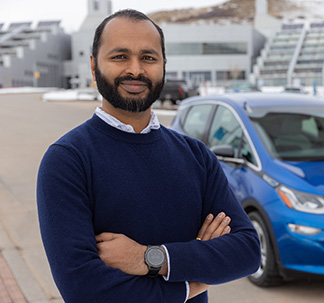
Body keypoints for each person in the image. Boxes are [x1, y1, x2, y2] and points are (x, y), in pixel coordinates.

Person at [37, 9, 261, 303]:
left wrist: (150, 258)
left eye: (148, 57)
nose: (135, 70)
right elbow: (84, 289)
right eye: (120, 56)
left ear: (163, 65)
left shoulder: (195, 155)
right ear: (94, 67)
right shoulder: (68, 161)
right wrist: (189, 282)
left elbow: (246, 252)